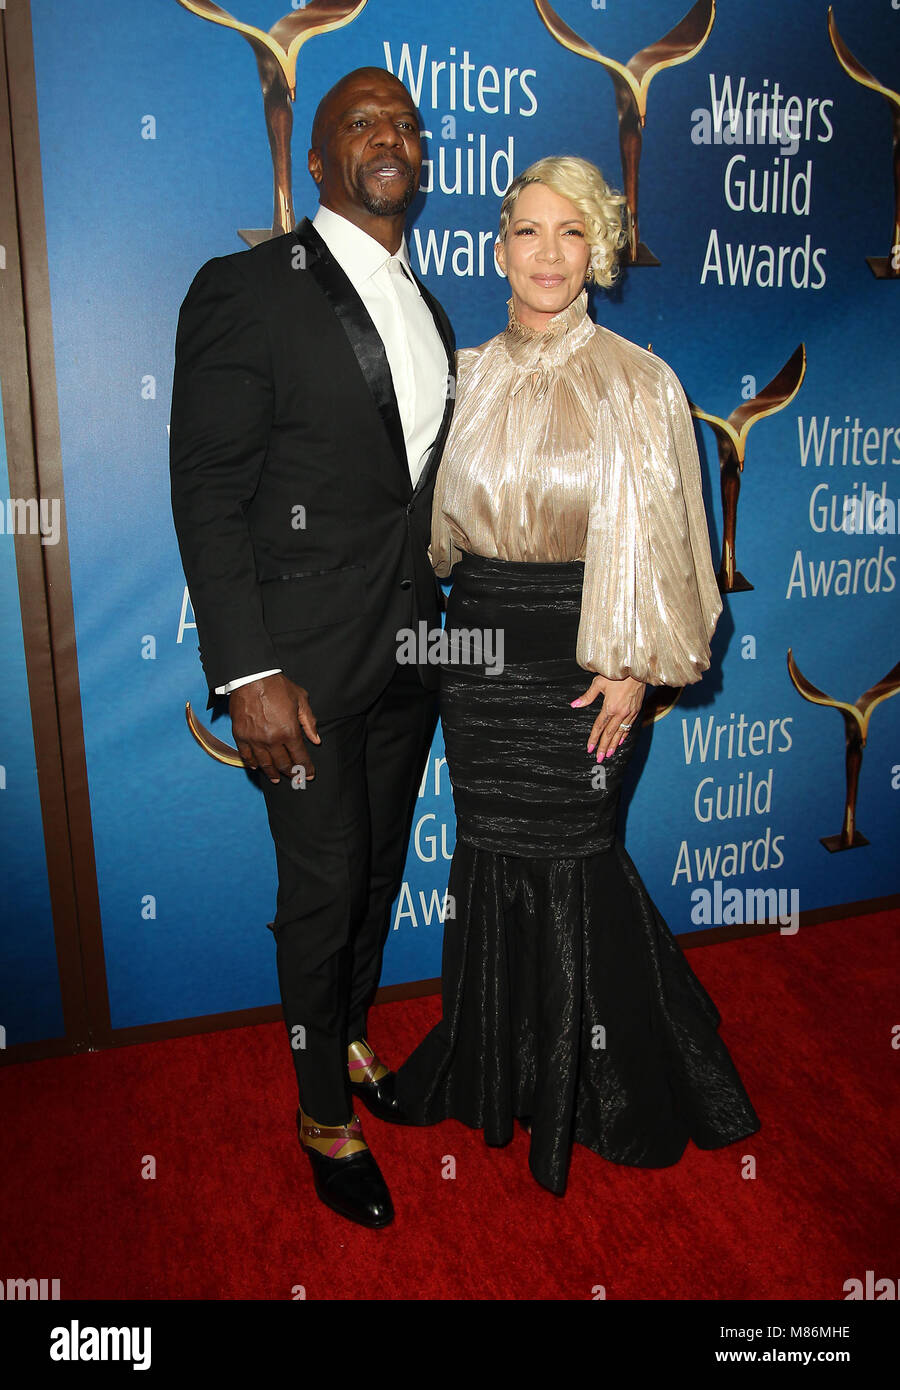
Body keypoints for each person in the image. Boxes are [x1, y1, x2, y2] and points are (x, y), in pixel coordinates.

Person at [395, 156, 760, 1194]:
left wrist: (638, 671)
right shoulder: (460, 376)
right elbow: (427, 535)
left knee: (575, 854)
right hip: (481, 651)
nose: (548, 254)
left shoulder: (640, 380)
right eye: (528, 231)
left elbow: (665, 542)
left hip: (592, 656)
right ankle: (496, 1067)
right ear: (498, 245)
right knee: (494, 858)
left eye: (570, 233)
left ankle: (605, 1083)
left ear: (596, 247)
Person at [169, 68, 455, 1228]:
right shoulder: (249, 287)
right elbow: (207, 489)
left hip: (413, 661)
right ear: (321, 162)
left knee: (379, 871)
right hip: (300, 673)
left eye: (403, 125)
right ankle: (319, 1112)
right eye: (360, 127)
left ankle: (348, 1037)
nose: (387, 138)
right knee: (320, 888)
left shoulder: (433, 311)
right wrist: (247, 673)